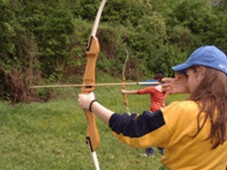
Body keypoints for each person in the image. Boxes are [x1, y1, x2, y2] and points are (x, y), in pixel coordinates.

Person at [78, 45, 227, 170]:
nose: (183, 79)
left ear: (200, 72)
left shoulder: (184, 112)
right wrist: (190, 86)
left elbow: (133, 129)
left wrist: (91, 104)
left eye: (187, 74)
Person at [121, 73, 167, 156]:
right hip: (163, 112)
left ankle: (150, 153)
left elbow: (139, 92)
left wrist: (125, 91)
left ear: (157, 80)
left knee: (149, 131)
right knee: (159, 131)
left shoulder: (154, 89)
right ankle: (163, 151)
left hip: (154, 112)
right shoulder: (167, 89)